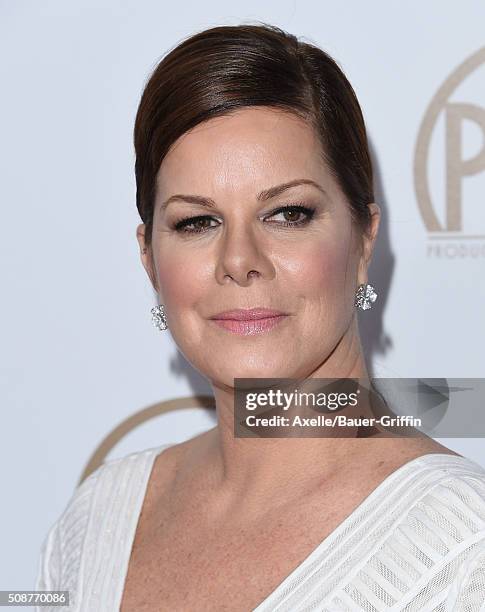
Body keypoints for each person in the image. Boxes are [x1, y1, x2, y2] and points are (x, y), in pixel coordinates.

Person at [36, 22, 485, 611]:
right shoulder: (94, 520)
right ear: (148, 257)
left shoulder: (463, 550)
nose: (239, 261)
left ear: (364, 240)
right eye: (197, 222)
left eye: (287, 214)